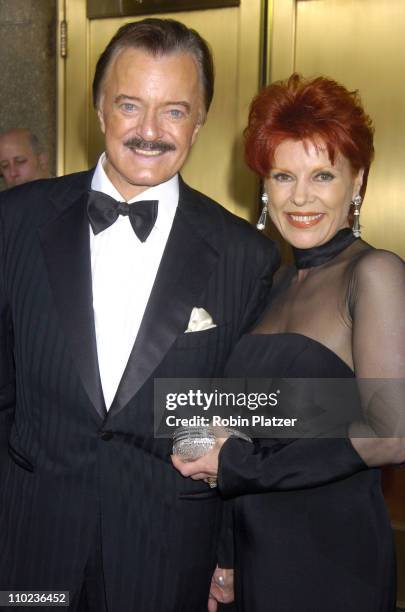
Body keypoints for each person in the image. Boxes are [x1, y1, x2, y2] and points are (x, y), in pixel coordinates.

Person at [0, 18, 279, 612]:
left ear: (201, 120)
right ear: (99, 109)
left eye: (175, 111)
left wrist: (229, 554)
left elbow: (244, 416)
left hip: (165, 551)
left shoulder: (246, 256)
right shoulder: (14, 222)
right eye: (130, 105)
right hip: (29, 545)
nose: (149, 131)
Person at [172, 74, 405, 611]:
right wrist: (227, 554)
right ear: (264, 186)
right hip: (258, 552)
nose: (301, 197)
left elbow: (390, 434)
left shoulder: (373, 273)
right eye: (283, 175)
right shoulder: (273, 283)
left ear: (358, 182)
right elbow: (246, 426)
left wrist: (234, 465)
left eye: (323, 175)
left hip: (333, 557)